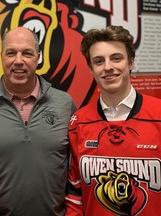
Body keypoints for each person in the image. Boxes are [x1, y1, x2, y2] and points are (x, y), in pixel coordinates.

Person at [0, 27, 76, 216]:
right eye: (11, 53)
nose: (18, 61)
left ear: (38, 57)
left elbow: (76, 170)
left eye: (27, 53)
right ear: (2, 56)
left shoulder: (65, 104)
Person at [65, 25, 161, 215]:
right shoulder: (79, 122)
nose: (108, 67)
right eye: (99, 61)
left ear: (131, 62)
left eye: (116, 58)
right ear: (91, 69)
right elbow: (74, 195)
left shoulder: (158, 115)